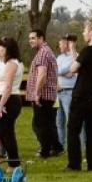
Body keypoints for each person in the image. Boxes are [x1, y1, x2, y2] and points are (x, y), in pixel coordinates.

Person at [66, 22, 92, 172]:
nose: (83, 33)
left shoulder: (88, 50)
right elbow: (82, 63)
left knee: (73, 130)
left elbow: (73, 68)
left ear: (91, 32)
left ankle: (74, 164)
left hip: (81, 94)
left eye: (84, 31)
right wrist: (72, 50)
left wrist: (74, 57)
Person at [26, 30, 61, 159]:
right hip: (47, 95)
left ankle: (45, 150)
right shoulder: (46, 51)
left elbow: (42, 74)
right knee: (48, 123)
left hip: (43, 95)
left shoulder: (43, 53)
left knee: (39, 124)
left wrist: (37, 93)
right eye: (30, 38)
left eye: (33, 38)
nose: (30, 40)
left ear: (41, 38)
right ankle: (57, 147)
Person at [0, 37, 25, 169]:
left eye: (2, 47)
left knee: (7, 132)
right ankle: (13, 160)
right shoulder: (2, 63)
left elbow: (8, 86)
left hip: (9, 99)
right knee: (2, 131)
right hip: (1, 97)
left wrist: (0, 106)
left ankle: (14, 163)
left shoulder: (12, 63)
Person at [54, 34, 77, 142]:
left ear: (66, 44)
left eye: (61, 44)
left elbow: (64, 69)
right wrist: (63, 72)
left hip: (69, 93)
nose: (59, 46)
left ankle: (72, 144)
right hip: (58, 93)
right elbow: (55, 71)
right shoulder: (59, 57)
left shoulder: (74, 56)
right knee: (59, 121)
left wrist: (62, 71)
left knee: (71, 120)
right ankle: (61, 145)